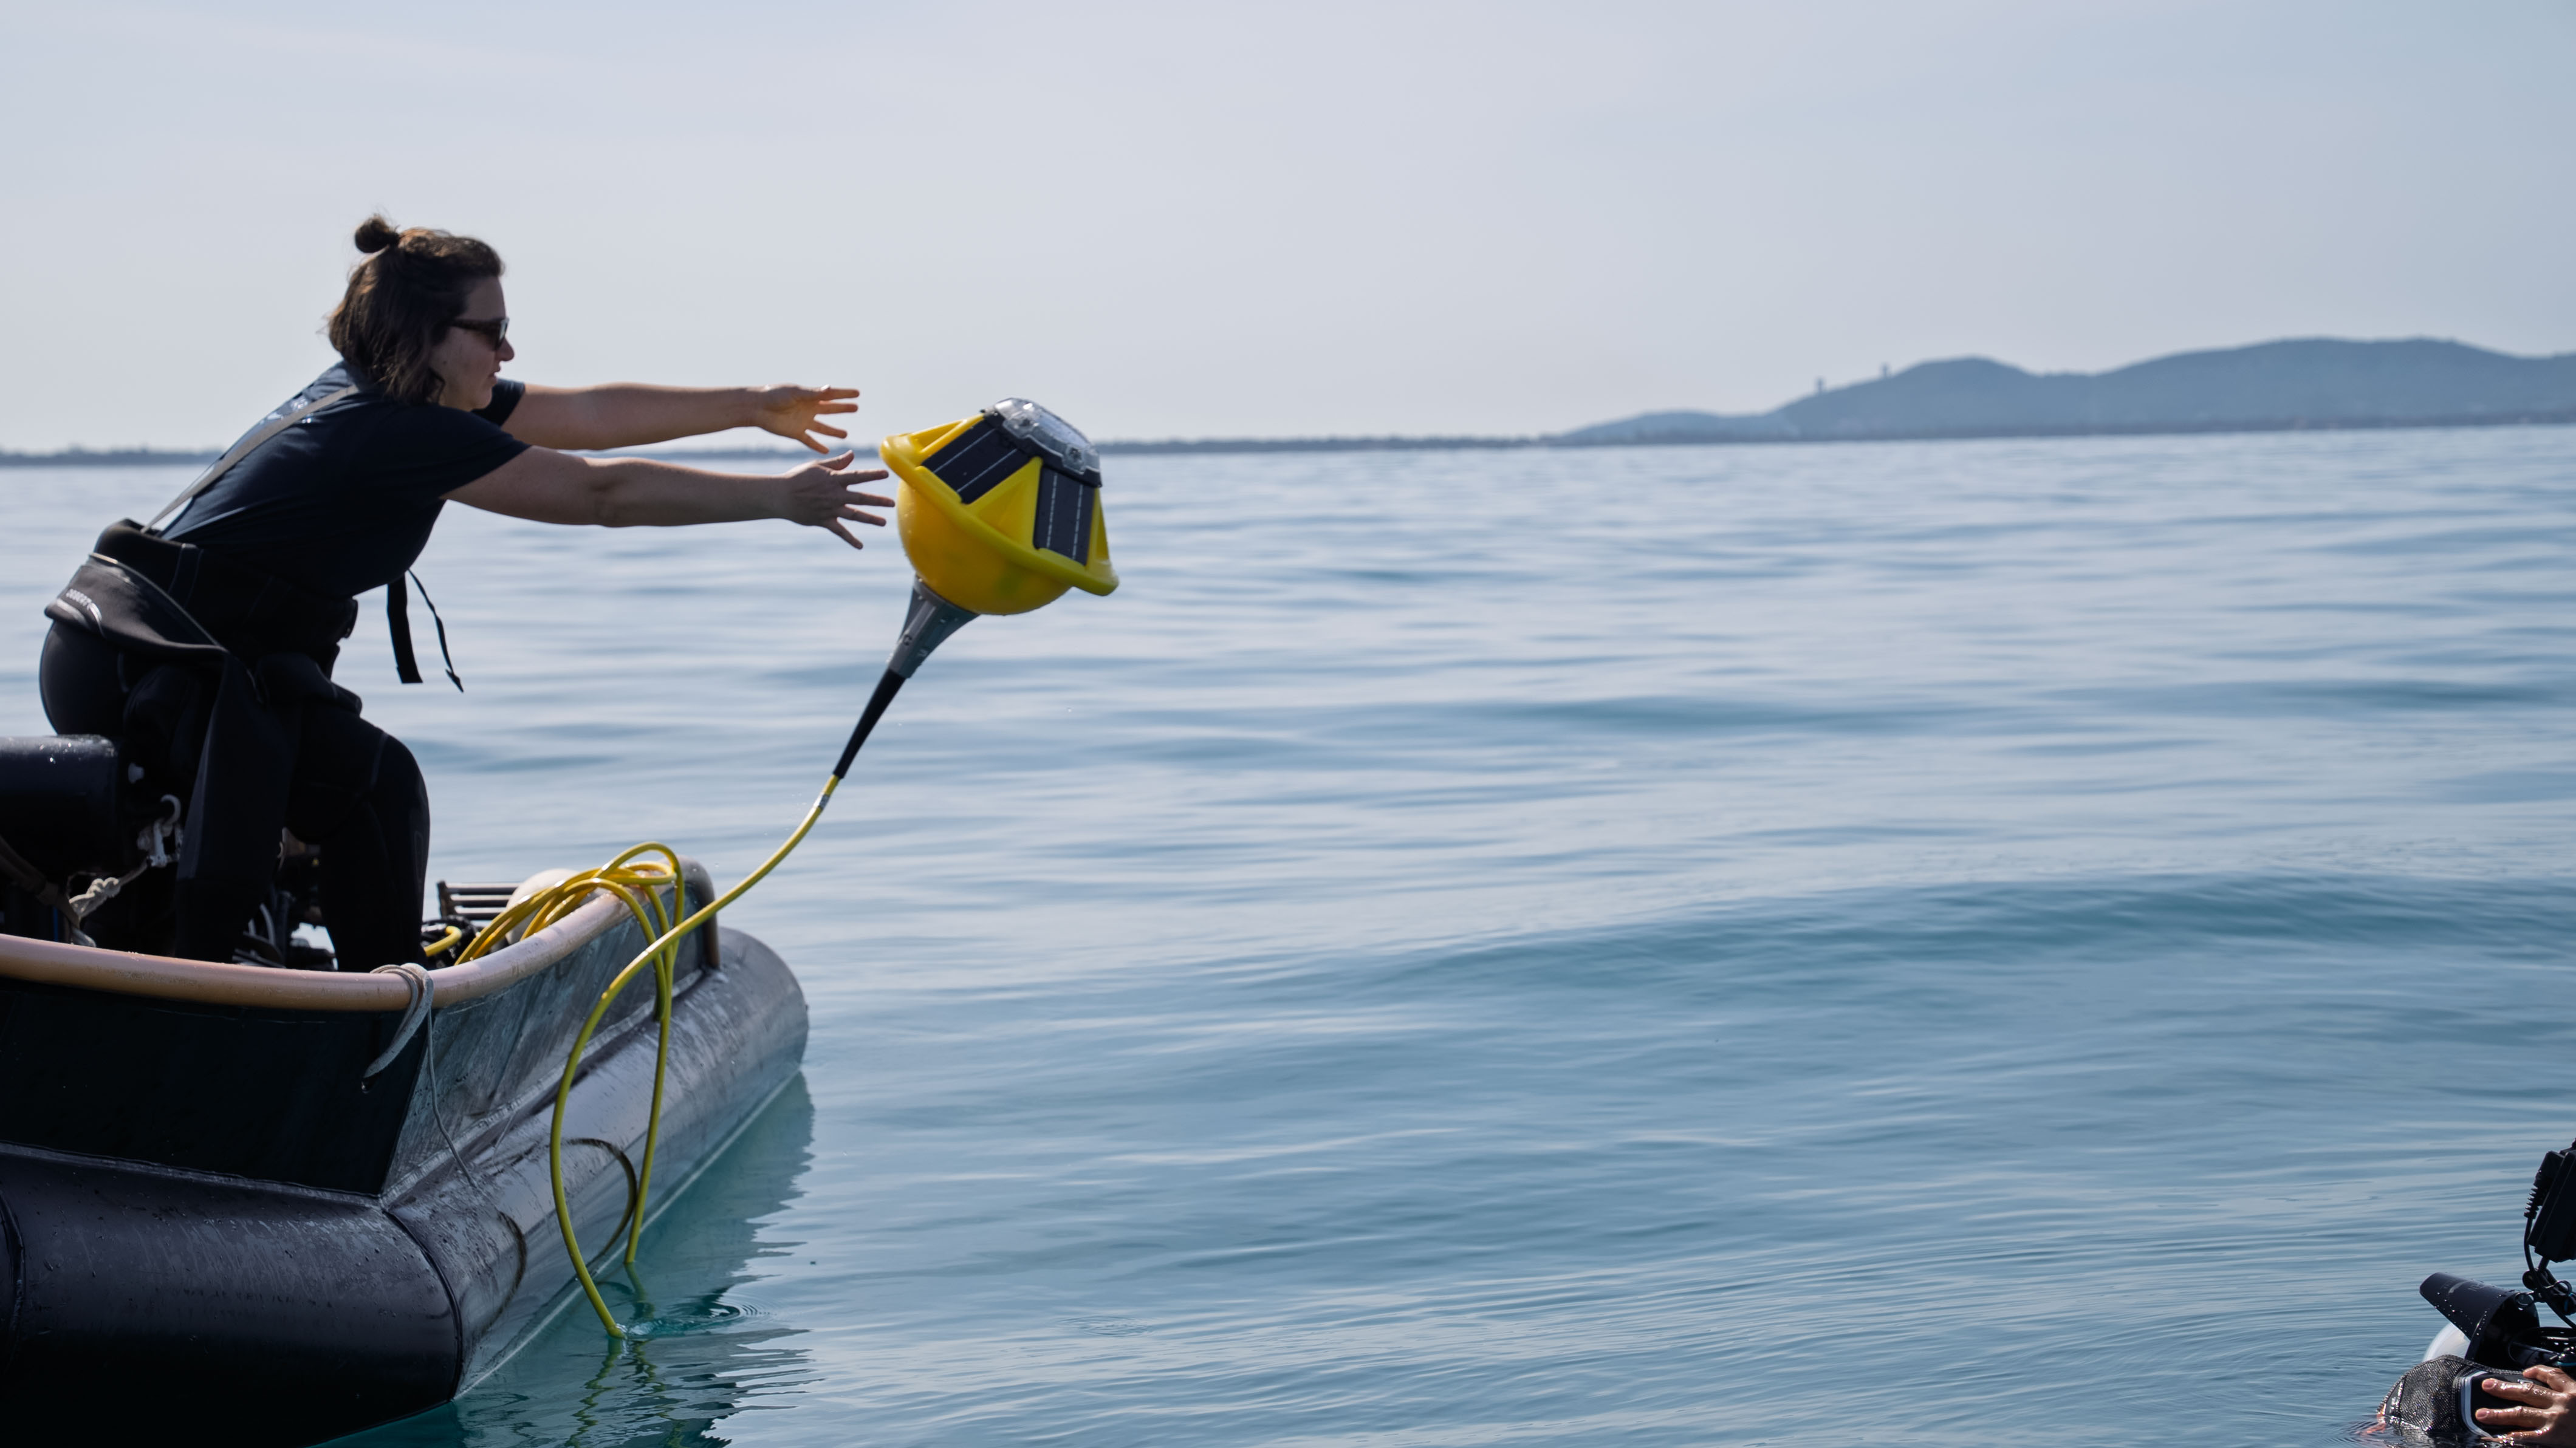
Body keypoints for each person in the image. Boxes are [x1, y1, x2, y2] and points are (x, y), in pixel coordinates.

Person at [38, 215, 891, 968]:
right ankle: (386, 1018)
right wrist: (779, 498)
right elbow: (600, 493)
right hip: (150, 672)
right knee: (376, 788)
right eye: (493, 333)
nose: (508, 353)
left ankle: (290, 958)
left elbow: (590, 415)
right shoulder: (395, 430)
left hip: (113, 651)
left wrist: (750, 406)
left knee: (343, 786)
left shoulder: (378, 395)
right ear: (427, 335)